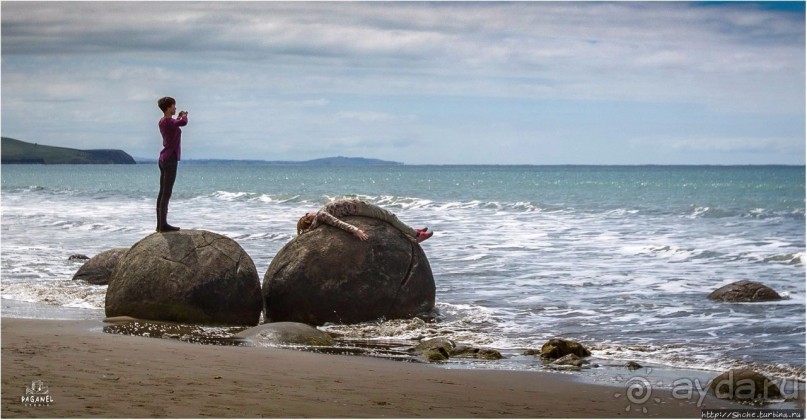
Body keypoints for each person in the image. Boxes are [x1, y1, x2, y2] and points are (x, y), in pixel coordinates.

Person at [297, 198, 433, 243]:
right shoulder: (321, 215)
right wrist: (355, 230)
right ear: (310, 218)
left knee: (389, 217)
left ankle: (411, 231)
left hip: (357, 208)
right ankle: (416, 235)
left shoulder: (320, 218)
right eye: (307, 213)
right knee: (390, 216)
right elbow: (338, 223)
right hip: (359, 208)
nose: (310, 211)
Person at [156, 96, 188, 232]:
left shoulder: (163, 121)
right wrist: (184, 116)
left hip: (163, 158)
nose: (175, 108)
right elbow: (183, 123)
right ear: (168, 108)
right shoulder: (169, 122)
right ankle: (163, 225)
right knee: (166, 193)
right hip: (170, 159)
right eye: (173, 106)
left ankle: (160, 224)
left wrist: (179, 117)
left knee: (162, 192)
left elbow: (176, 123)